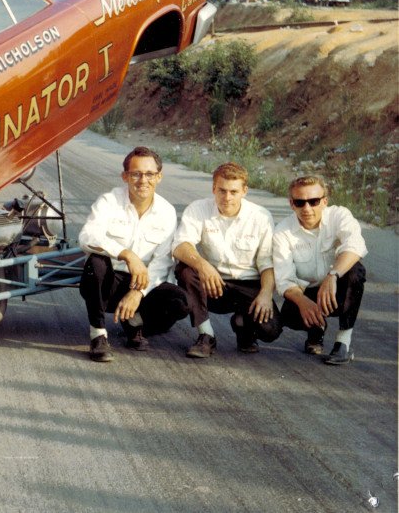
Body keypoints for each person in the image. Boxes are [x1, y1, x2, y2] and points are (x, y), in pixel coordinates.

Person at [78, 146, 189, 362]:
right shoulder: (109, 202)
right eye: (136, 173)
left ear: (159, 177)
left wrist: (138, 293)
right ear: (125, 176)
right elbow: (87, 236)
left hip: (144, 285)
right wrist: (126, 254)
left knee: (181, 302)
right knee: (97, 262)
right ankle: (98, 336)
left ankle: (135, 322)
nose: (142, 180)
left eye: (149, 174)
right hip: (109, 283)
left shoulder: (166, 212)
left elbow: (163, 262)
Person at [173, 162, 281, 357]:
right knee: (185, 270)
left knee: (270, 330)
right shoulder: (198, 209)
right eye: (222, 190)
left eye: (233, 192)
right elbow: (181, 245)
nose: (227, 197)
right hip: (214, 283)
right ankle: (206, 336)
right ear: (214, 188)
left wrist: (266, 293)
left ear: (244, 191)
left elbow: (268, 263)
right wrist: (202, 265)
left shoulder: (261, 217)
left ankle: (243, 326)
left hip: (249, 285)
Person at [273, 175, 366, 365]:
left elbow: (355, 246)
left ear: (324, 201)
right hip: (307, 293)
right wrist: (303, 302)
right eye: (300, 203)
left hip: (334, 289)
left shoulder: (339, 216)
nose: (307, 208)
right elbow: (283, 280)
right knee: (289, 317)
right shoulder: (282, 232)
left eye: (313, 201)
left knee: (356, 270)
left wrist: (332, 276)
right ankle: (316, 330)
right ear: (292, 204)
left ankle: (343, 343)